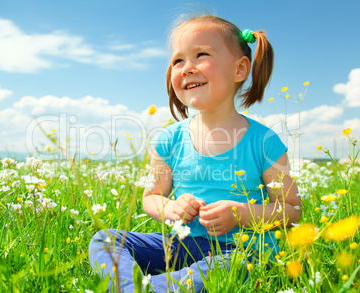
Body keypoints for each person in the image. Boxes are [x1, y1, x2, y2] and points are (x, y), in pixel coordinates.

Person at [89, 14, 301, 292]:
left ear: (239, 69)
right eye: (178, 60)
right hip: (183, 243)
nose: (186, 68)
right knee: (105, 240)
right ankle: (131, 287)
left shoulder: (263, 141)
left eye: (201, 54)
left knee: (230, 267)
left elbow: (292, 209)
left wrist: (242, 213)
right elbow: (151, 198)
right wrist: (172, 209)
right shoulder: (169, 139)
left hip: (241, 250)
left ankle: (151, 287)